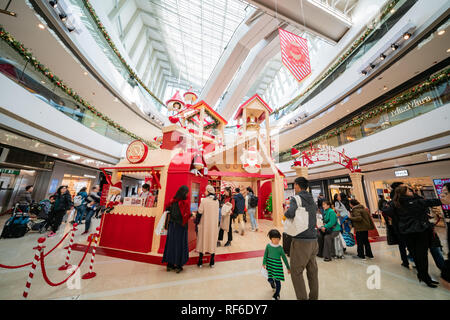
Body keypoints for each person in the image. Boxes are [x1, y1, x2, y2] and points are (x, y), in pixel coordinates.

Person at [394, 185, 443, 288]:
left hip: (407, 233)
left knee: (416, 255)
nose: (412, 191)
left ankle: (423, 276)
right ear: (405, 193)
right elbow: (431, 202)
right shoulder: (414, 202)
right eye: (409, 190)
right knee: (422, 255)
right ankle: (425, 277)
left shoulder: (397, 203)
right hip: (419, 231)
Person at [284, 177, 319, 300]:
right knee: (312, 271)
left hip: (301, 240)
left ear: (297, 186)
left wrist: (285, 212)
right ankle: (314, 297)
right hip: (314, 240)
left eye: (295, 185)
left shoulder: (296, 198)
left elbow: (291, 213)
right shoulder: (312, 199)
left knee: (296, 272)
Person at [381, 182, 411, 268]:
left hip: (399, 225)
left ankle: (406, 261)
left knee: (403, 245)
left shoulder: (394, 201)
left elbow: (385, 210)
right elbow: (386, 210)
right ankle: (408, 260)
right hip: (401, 224)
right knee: (405, 244)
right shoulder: (399, 200)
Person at [162, 185, 191, 273]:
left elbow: (167, 210)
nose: (187, 194)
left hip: (172, 226)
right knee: (179, 245)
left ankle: (169, 265)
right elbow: (184, 216)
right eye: (187, 192)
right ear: (184, 193)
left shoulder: (172, 201)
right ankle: (178, 265)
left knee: (171, 244)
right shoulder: (183, 203)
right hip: (180, 227)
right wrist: (190, 215)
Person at [263, 229, 291, 300]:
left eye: (278, 239)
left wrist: (288, 267)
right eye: (274, 239)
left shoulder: (280, 248)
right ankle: (272, 284)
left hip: (277, 267)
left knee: (278, 282)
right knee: (270, 279)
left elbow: (284, 258)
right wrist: (264, 263)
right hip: (270, 266)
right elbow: (265, 255)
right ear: (271, 239)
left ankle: (276, 295)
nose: (276, 240)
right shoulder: (268, 246)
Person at [196, 185, 220, 268]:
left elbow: (200, 211)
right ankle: (212, 262)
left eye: (205, 190)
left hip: (204, 224)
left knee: (203, 241)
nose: (204, 192)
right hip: (213, 225)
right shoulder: (216, 201)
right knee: (212, 241)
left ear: (208, 191)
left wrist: (196, 221)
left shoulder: (204, 201)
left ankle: (200, 262)